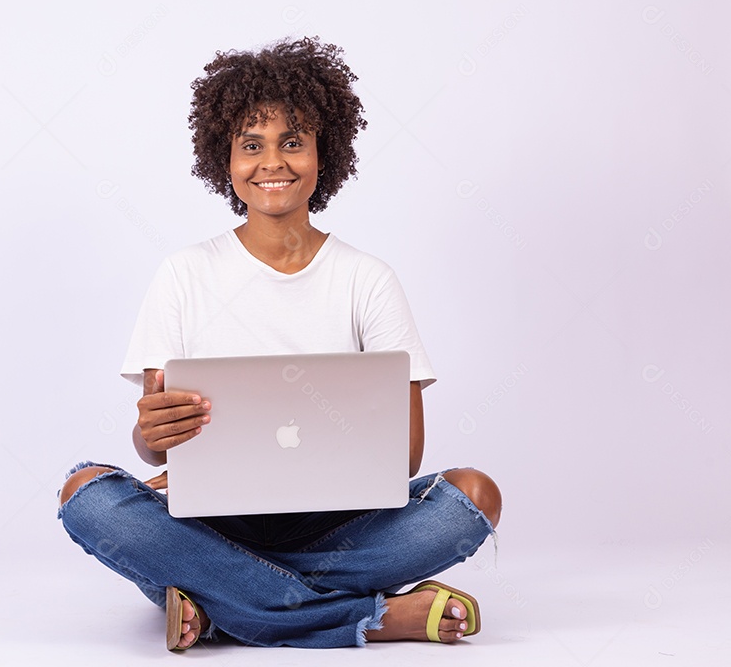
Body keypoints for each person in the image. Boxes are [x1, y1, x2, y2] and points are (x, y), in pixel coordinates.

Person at [58, 37, 502, 650]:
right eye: (252, 144)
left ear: (326, 153)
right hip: (212, 524)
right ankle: (369, 618)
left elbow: (404, 460)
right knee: (87, 497)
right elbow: (152, 450)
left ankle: (215, 603)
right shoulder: (183, 274)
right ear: (226, 159)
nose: (274, 162)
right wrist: (151, 436)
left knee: (473, 498)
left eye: (293, 141)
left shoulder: (367, 279)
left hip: (340, 529)